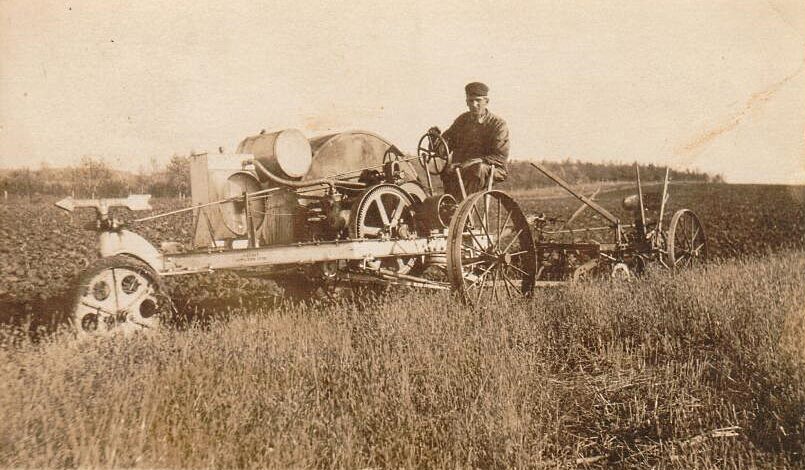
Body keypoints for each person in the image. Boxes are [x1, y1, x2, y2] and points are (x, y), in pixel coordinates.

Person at [430, 82, 510, 199]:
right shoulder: (462, 121)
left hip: (491, 168)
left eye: (478, 100)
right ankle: (449, 204)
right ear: (466, 102)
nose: (474, 104)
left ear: (486, 102)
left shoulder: (498, 124)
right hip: (461, 168)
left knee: (477, 169)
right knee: (447, 170)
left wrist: (472, 162)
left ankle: (462, 205)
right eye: (470, 101)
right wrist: (435, 140)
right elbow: (444, 149)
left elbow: (499, 157)